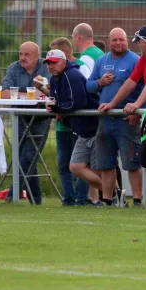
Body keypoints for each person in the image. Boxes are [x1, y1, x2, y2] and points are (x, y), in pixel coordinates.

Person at [98, 25, 146, 187]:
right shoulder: (145, 58)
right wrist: (112, 103)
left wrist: (136, 105)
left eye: (139, 42)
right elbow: (131, 81)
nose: (138, 46)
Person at [87, 28, 144, 206]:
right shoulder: (101, 61)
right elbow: (88, 86)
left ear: (127, 41)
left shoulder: (136, 60)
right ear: (108, 42)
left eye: (121, 40)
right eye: (114, 40)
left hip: (126, 120)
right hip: (105, 120)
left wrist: (137, 112)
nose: (118, 43)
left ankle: (136, 200)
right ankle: (107, 199)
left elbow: (144, 89)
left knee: (132, 162)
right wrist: (100, 83)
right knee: (105, 163)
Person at [43, 50, 106, 204]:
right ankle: (115, 193)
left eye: (54, 62)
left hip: (95, 126)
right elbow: (59, 102)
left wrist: (58, 109)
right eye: (49, 63)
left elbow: (77, 103)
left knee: (99, 169)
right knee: (76, 167)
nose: (51, 66)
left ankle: (112, 195)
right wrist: (55, 109)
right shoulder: (54, 79)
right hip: (81, 129)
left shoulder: (72, 75)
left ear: (64, 62)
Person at [1, 42, 51, 205]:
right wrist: (29, 94)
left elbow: (47, 92)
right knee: (25, 158)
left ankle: (11, 197)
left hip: (40, 117)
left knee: (28, 156)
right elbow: (5, 94)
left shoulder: (46, 68)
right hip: (19, 117)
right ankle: (36, 200)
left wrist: (19, 94)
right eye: (20, 54)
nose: (22, 58)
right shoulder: (13, 68)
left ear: (37, 56)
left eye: (27, 55)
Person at [71, 23, 104, 203]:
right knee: (95, 162)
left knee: (91, 162)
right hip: (101, 111)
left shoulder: (85, 59)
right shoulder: (100, 54)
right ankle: (96, 197)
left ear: (77, 37)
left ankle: (109, 193)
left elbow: (87, 88)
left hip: (92, 115)